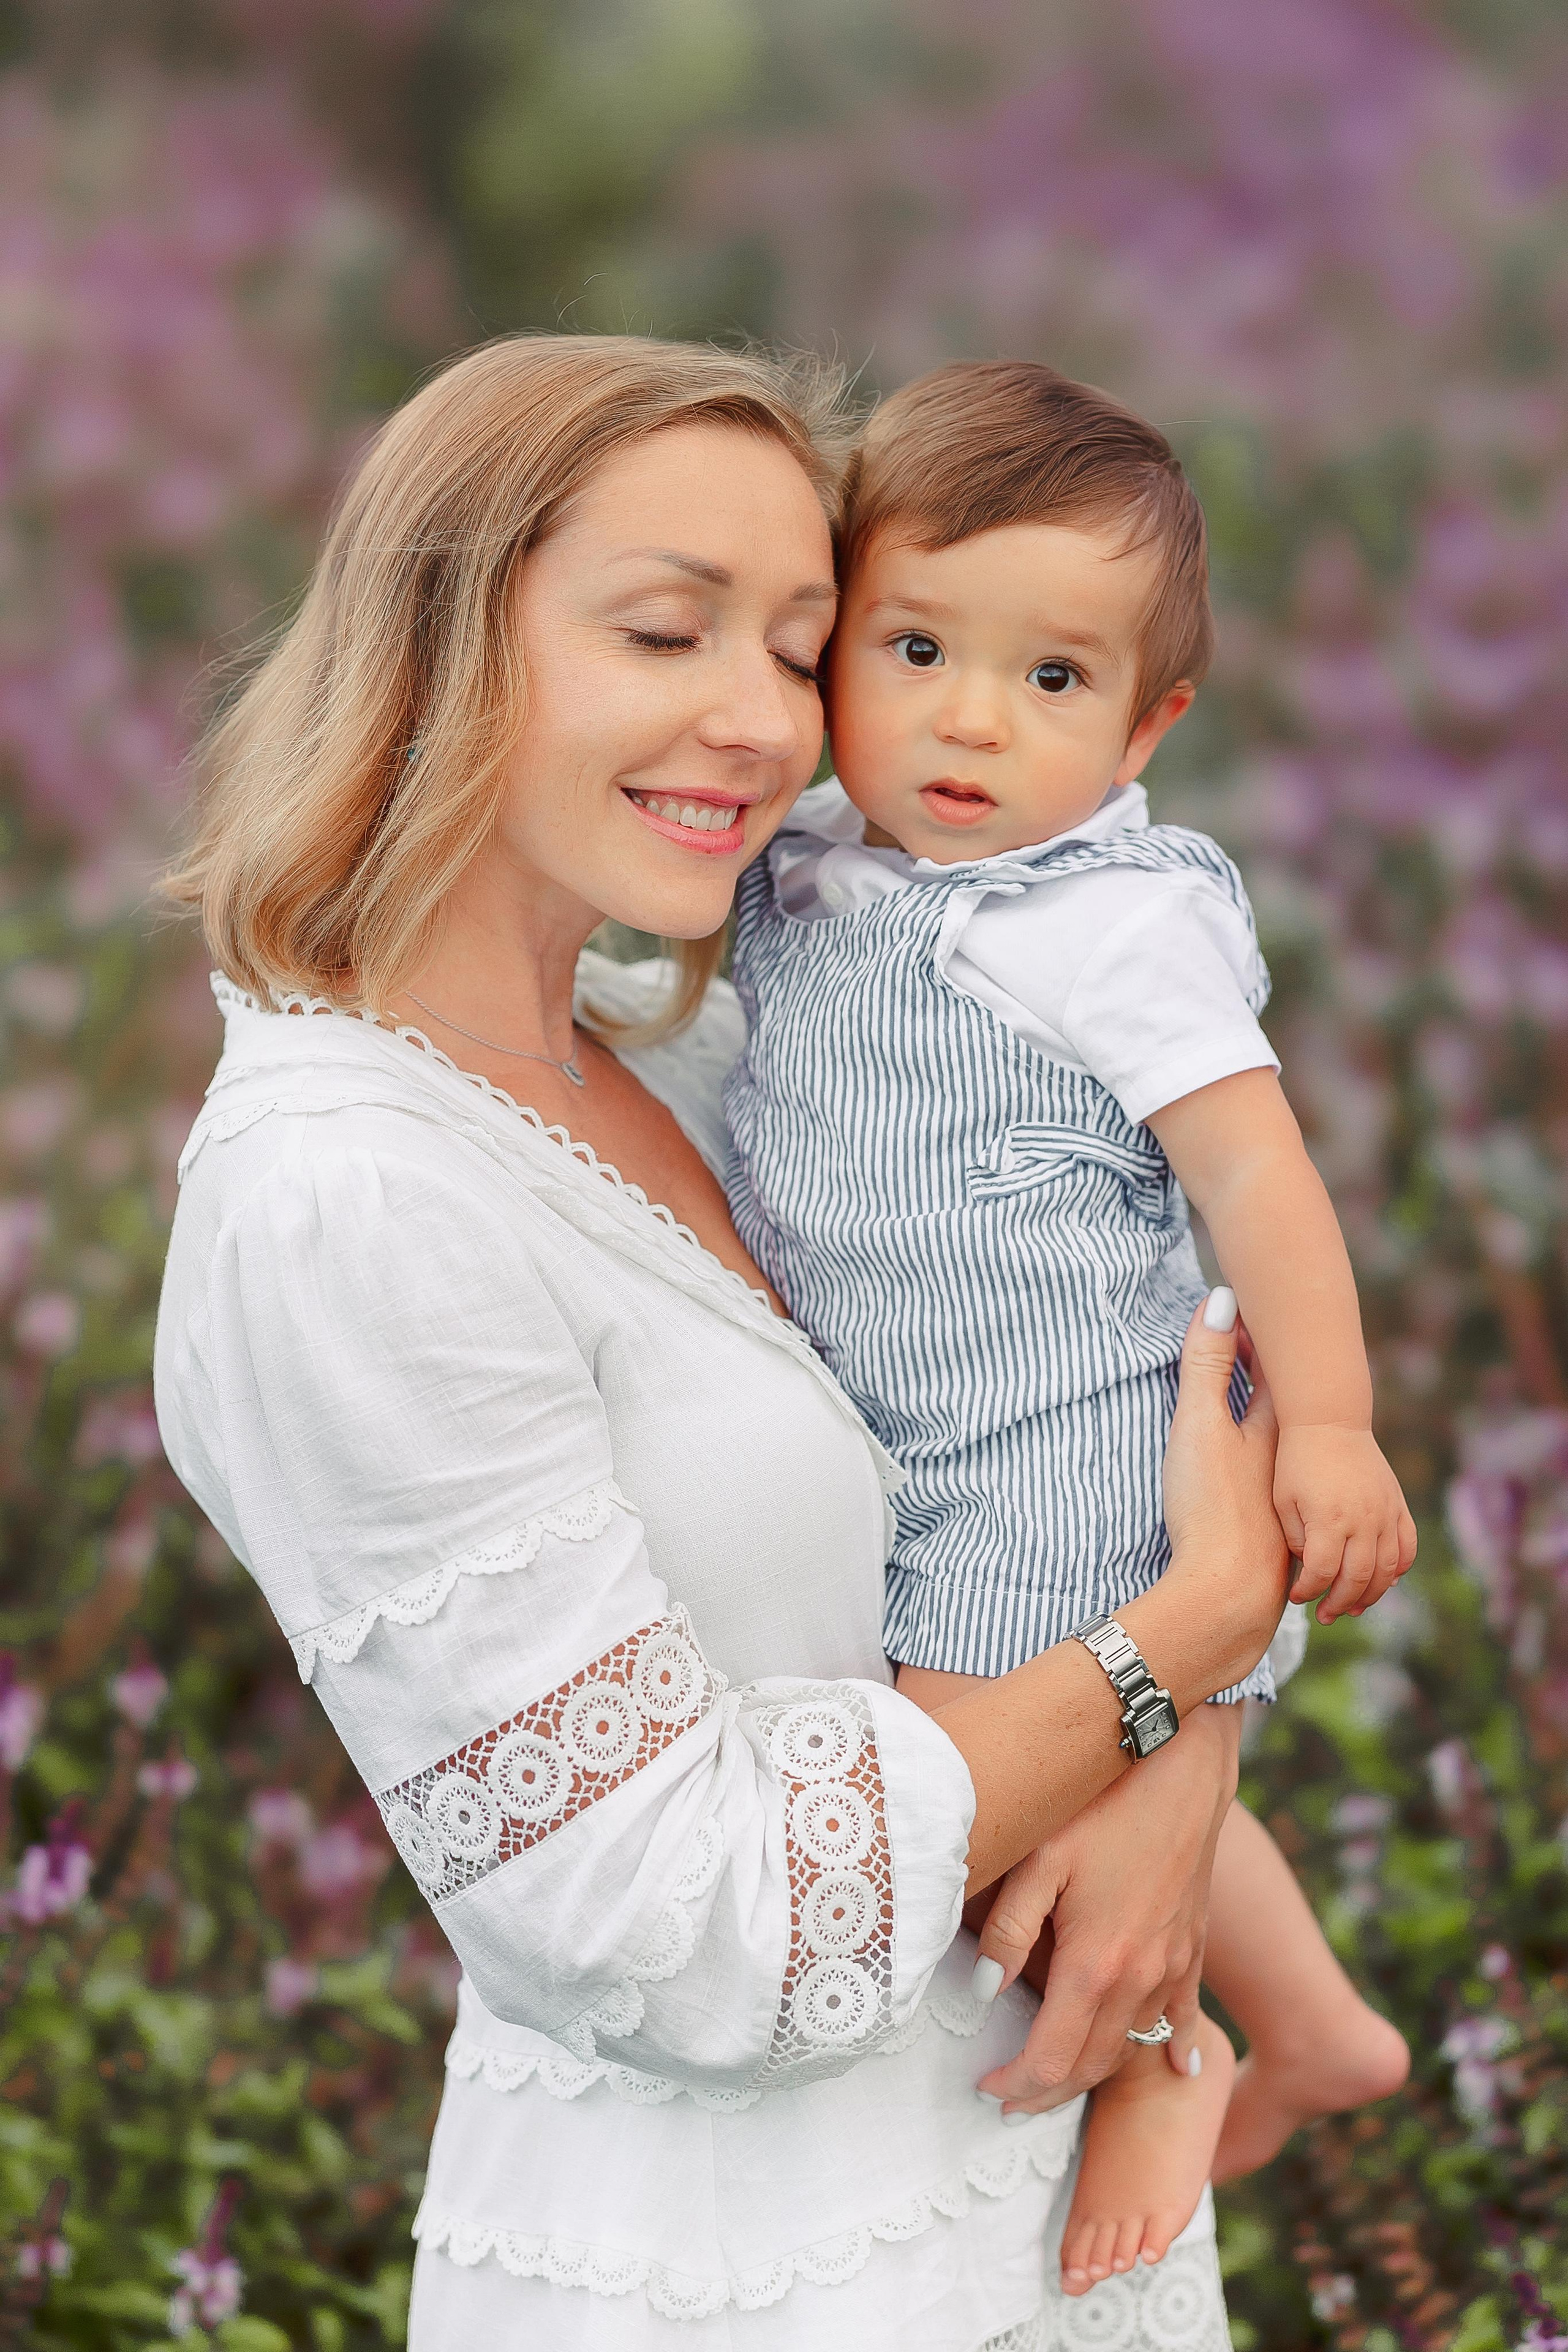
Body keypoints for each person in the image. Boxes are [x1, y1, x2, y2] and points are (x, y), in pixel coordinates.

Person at [155, 333, 1289, 2351]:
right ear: (437, 645)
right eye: (669, 632)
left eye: (801, 642)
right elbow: (687, 1940)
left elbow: (1097, 1386)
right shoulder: (348, 1199)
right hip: (737, 2279)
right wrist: (1174, 1650)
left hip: (1036, 2212)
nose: (763, 722)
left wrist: (1183, 1748)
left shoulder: (711, 1041)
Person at [723, 360, 1415, 2297]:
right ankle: (1324, 2025)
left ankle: (1163, 2055)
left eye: (1051, 681)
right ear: (833, 648)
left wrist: (1336, 1431)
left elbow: (1263, 1180)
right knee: (1063, 1748)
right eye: (917, 645)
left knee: (968, 1760)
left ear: (1145, 729)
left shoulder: (1111, 918)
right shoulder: (812, 873)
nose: (965, 720)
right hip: (922, 1434)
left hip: (1073, 1426)